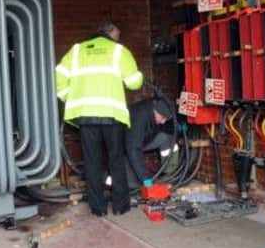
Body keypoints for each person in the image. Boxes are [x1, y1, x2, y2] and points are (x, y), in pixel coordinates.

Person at [55, 22, 143, 216]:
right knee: (116, 159)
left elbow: (59, 75)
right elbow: (134, 83)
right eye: (118, 34)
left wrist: (68, 96)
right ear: (111, 33)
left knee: (92, 162)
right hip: (112, 114)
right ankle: (121, 206)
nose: (119, 38)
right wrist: (138, 76)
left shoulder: (77, 51)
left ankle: (98, 208)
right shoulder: (119, 51)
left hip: (86, 115)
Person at [125, 97, 177, 188]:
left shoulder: (155, 109)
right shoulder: (138, 118)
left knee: (167, 137)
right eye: (163, 117)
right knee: (133, 186)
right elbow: (134, 150)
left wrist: (178, 127)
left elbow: (167, 126)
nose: (163, 121)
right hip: (125, 146)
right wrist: (146, 179)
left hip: (142, 140)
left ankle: (169, 174)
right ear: (155, 111)